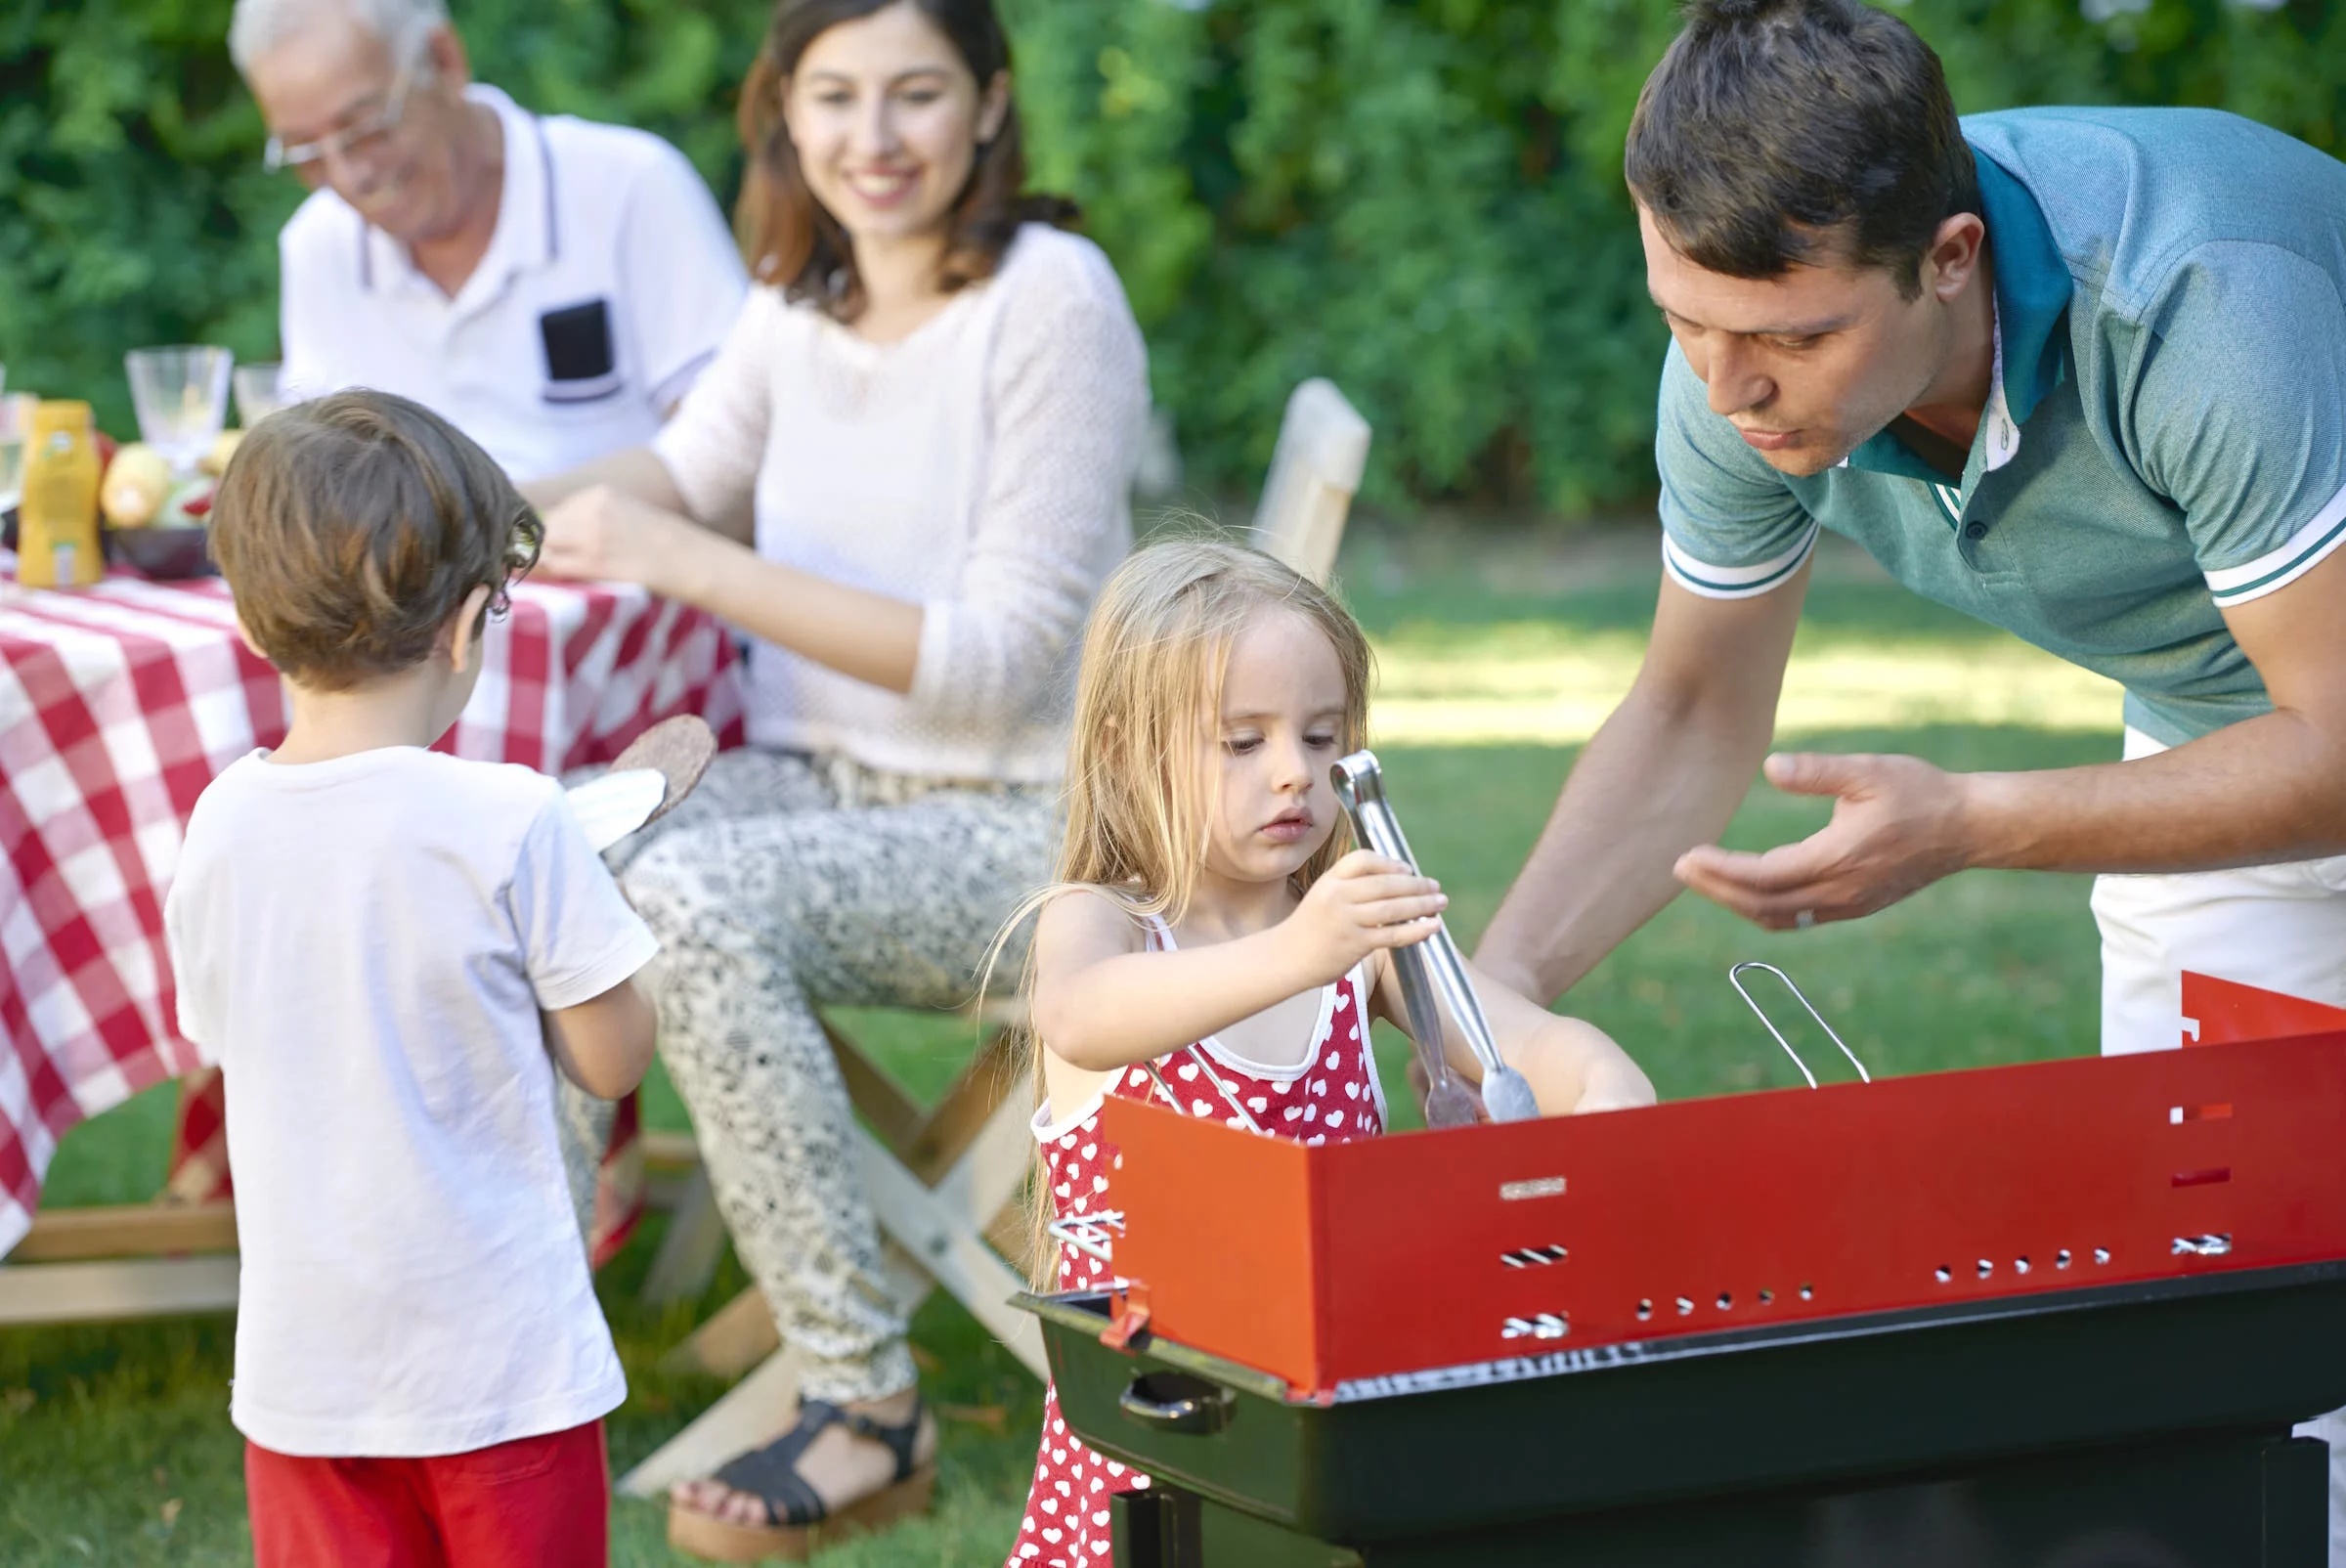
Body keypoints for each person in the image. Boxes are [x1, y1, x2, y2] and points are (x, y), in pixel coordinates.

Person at [1472, 0, 2346, 1550]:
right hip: (2231, 723)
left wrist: (1976, 823)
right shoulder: (1742, 368)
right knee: (2235, 1332)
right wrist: (1496, 996)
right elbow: (1690, 714)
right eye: (1686, 319)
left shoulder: (2199, 304)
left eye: (1793, 340)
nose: (1732, 391)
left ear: (1948, 259)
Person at [518, 0, 1150, 1553]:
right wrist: (457, 498)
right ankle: (516, 1349)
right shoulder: (798, 299)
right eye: (836, 98)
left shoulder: (1051, 302)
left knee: (697, 907)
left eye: (916, 95)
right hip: (824, 787)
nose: (874, 140)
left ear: (991, 106)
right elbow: (676, 478)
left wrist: (690, 567)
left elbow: (997, 658)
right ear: (784, 114)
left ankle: (867, 1402)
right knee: (543, 857)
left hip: (1041, 834)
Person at [1003, 540, 1656, 1567]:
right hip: (1154, 1437)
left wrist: (1607, 1087)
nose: (1294, 773)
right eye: (1241, 741)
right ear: (1129, 748)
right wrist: (1298, 949)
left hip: (1327, 1430)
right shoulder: (1107, 925)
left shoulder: (1362, 946)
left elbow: (1525, 1040)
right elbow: (1080, 1014)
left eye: (1320, 734)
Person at [162, 391, 660, 1566]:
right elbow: (614, 1054)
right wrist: (594, 914)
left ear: (250, 617)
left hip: (306, 1373)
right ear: (470, 622)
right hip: (501, 1373)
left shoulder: (221, 819)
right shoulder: (515, 818)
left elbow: (218, 1027)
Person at [230, 0, 747, 480]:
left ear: (445, 60)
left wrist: (503, 521)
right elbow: (323, 475)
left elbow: (734, 450)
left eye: (366, 128)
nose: (348, 177)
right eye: (305, 154)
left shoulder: (628, 188)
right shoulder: (318, 242)